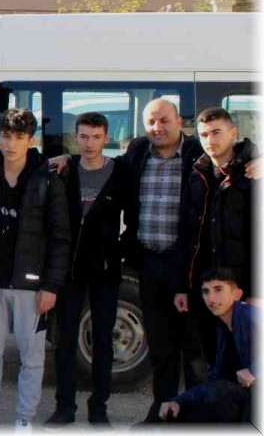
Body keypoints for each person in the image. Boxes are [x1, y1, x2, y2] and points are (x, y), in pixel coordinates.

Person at [0, 108, 69, 432]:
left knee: (31, 358)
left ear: (30, 140)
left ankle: (24, 421)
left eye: (18, 137)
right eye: (6, 136)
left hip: (31, 286)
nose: (10, 143)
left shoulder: (48, 179)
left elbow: (60, 237)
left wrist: (51, 286)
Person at [113, 98, 207, 422]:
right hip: (150, 264)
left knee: (194, 350)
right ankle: (162, 413)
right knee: (161, 347)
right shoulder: (137, 154)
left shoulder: (199, 153)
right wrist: (66, 160)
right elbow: (102, 167)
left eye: (164, 120)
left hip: (189, 266)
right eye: (151, 122)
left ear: (179, 121)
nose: (158, 127)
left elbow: (235, 149)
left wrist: (254, 156)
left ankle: (194, 418)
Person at [45, 112, 130, 428]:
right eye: (83, 136)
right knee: (64, 340)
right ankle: (64, 407)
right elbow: (32, 175)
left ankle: (99, 408)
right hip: (69, 268)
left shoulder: (120, 172)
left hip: (106, 270)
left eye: (96, 137)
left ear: (106, 138)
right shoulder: (64, 171)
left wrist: (119, 250)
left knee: (103, 342)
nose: (90, 143)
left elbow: (132, 216)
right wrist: (59, 159)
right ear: (75, 138)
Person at [180, 107, 257, 363]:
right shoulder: (196, 175)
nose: (210, 141)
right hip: (205, 291)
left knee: (245, 368)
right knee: (209, 360)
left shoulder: (252, 176)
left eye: (216, 133)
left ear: (233, 133)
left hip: (241, 294)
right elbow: (188, 236)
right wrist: (183, 287)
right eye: (203, 135)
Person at [158, 268, 255, 424]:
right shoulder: (223, 326)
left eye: (218, 290)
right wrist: (179, 401)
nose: (211, 298)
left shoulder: (250, 315)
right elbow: (216, 380)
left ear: (236, 294)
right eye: (205, 291)